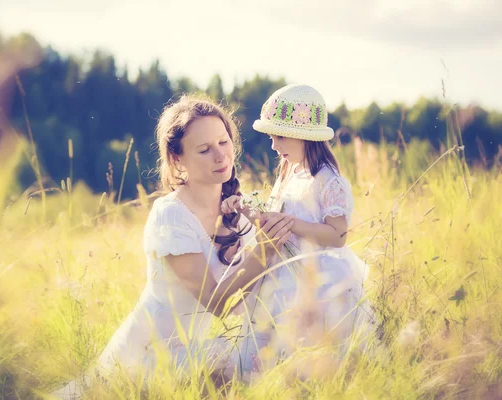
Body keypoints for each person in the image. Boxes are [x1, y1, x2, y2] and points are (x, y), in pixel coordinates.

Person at [53, 94, 294, 398]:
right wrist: (263, 250)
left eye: (224, 142)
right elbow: (216, 302)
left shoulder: (239, 212)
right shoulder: (171, 215)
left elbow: (252, 291)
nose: (220, 157)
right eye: (204, 150)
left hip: (194, 351)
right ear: (177, 159)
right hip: (146, 355)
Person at [222, 84, 376, 381]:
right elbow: (276, 223)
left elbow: (337, 235)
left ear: (304, 135)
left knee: (309, 356)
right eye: (271, 137)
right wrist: (246, 211)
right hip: (281, 276)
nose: (273, 145)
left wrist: (290, 223)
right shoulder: (288, 173)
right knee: (270, 354)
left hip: (317, 282)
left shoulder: (327, 180)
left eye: (278, 136)